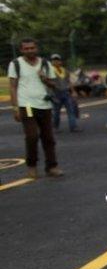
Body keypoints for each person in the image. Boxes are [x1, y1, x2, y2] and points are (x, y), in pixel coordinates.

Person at [8, 38, 63, 178]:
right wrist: (15, 108)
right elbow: (13, 87)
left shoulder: (45, 64)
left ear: (36, 48)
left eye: (32, 48)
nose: (29, 50)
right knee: (32, 136)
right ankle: (31, 166)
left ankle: (52, 166)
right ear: (21, 50)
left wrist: (44, 78)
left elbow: (55, 85)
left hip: (44, 105)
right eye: (26, 48)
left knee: (48, 137)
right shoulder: (15, 64)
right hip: (26, 105)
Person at [50, 54, 80, 133]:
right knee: (56, 112)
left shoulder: (65, 71)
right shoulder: (51, 71)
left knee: (71, 110)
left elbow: (69, 82)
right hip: (56, 93)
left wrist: (73, 91)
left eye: (57, 60)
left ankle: (73, 127)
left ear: (60, 61)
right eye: (54, 60)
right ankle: (55, 127)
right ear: (52, 62)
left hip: (66, 92)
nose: (56, 62)